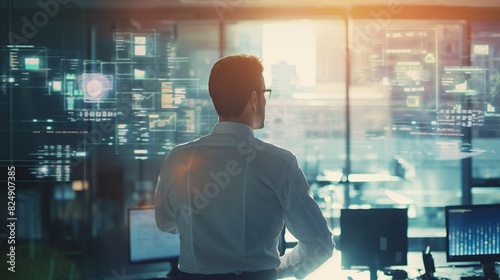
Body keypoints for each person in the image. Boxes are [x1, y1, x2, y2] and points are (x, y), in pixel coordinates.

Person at [155, 54, 334, 280]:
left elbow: (165, 223)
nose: (266, 101)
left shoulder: (178, 158)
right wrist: (277, 270)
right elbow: (320, 244)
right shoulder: (279, 162)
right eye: (264, 93)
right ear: (254, 98)